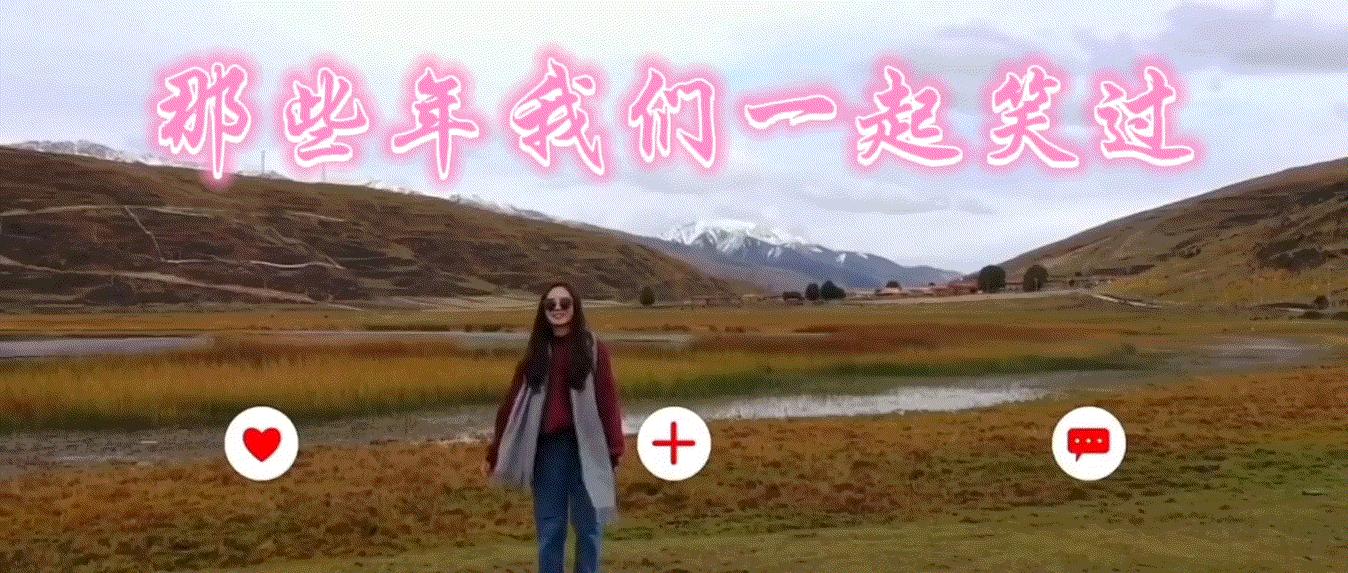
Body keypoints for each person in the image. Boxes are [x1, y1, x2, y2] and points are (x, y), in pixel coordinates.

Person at [483, 282, 625, 573]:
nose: (558, 309)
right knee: (550, 530)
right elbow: (511, 406)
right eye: (551, 304)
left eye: (564, 303)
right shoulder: (535, 354)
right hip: (546, 453)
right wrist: (495, 452)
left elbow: (608, 401)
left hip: (588, 449)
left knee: (589, 529)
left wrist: (614, 449)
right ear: (543, 310)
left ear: (575, 307)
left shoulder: (594, 350)